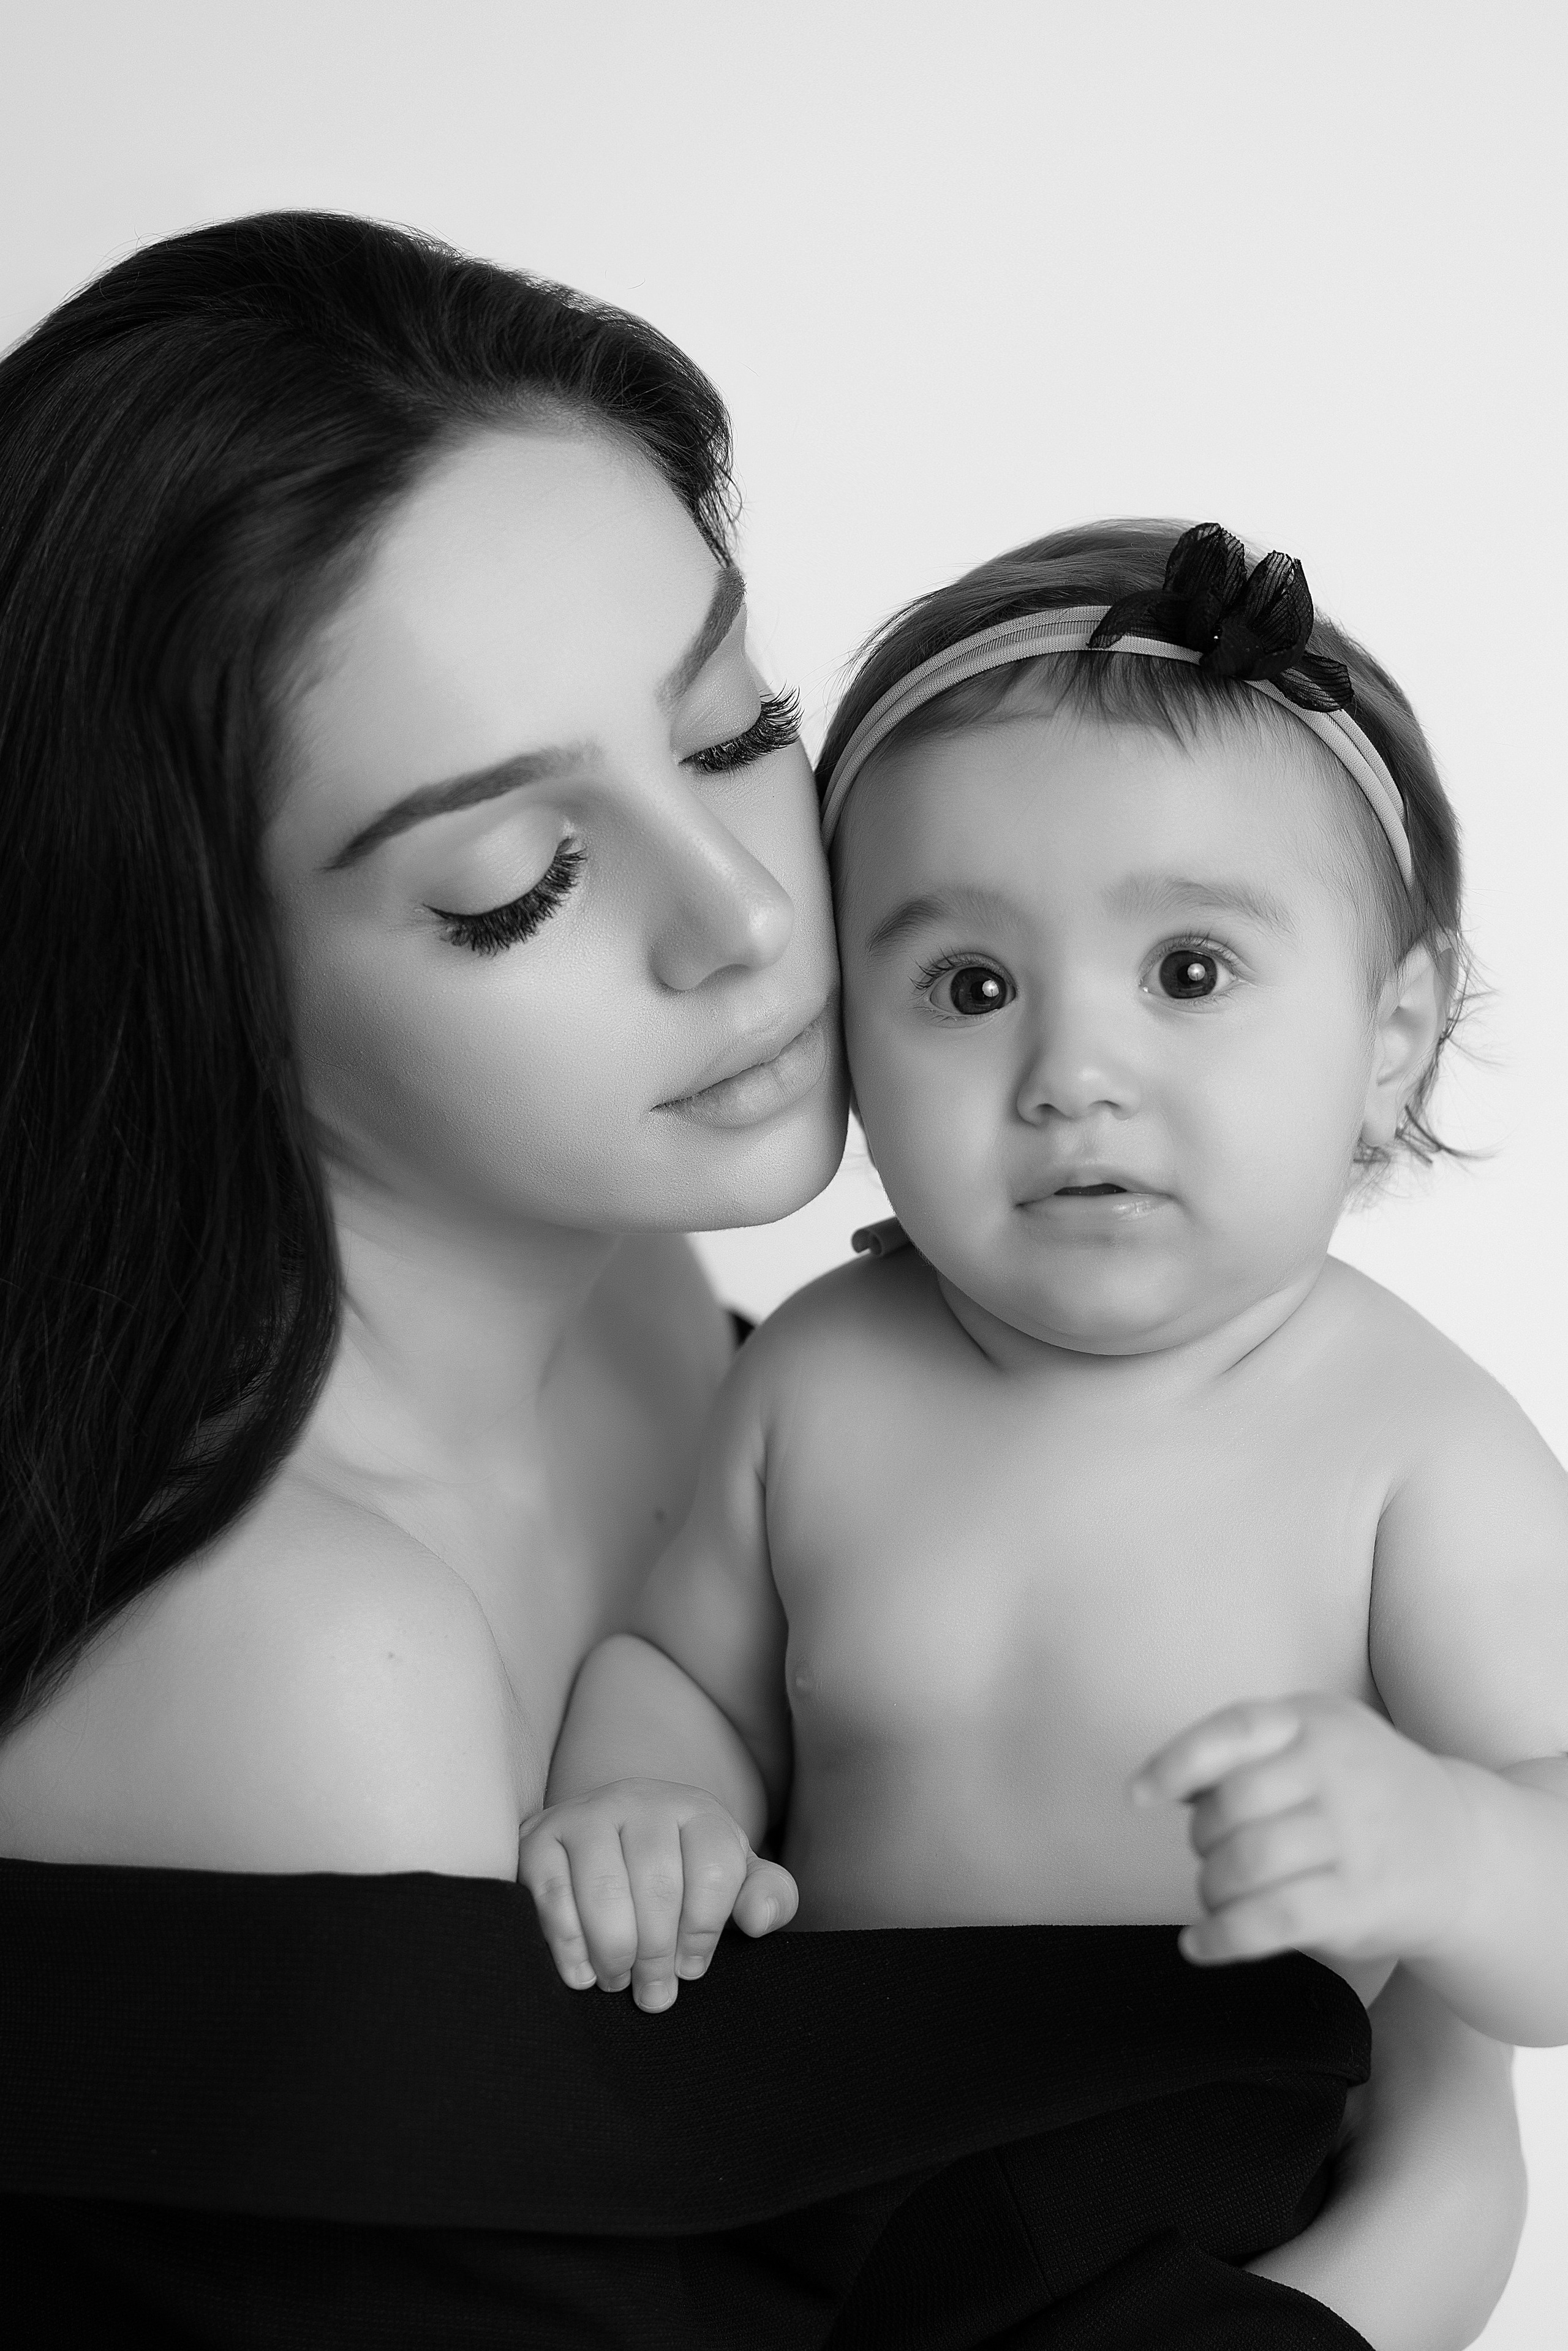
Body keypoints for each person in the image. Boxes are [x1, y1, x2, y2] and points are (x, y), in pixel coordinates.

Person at [0, 219, 1520, 2346]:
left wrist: (1427, 1942)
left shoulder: (659, 1313)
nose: (739, 912)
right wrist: (1407, 2235)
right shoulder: (317, 1689)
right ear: (195, 977)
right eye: (511, 881)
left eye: (731, 734)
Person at [524, 520, 1565, 2348]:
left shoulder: (1416, 1452)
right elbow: (685, 1670)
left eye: (1187, 973)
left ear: (1392, 1035)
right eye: (969, 990)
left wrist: (1455, 1847)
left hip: (1190, 2162)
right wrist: (651, 1805)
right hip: (819, 2131)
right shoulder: (821, 1375)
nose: (1071, 1071)